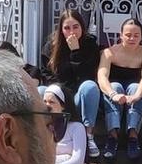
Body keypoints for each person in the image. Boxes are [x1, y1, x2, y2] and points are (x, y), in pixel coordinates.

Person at [93, 18, 142, 161]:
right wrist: (113, 94)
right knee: (115, 85)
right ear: (121, 35)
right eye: (128, 35)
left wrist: (137, 96)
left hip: (135, 94)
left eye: (136, 35)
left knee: (135, 87)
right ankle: (112, 137)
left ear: (141, 36)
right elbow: (102, 76)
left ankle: (133, 137)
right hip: (113, 93)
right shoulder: (109, 52)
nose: (132, 38)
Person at [45, 9, 105, 143]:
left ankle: (89, 135)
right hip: (59, 95)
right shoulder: (51, 46)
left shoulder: (90, 45)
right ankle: (47, 134)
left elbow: (86, 76)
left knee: (89, 86)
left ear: (82, 27)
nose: (72, 32)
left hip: (79, 95)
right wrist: (60, 92)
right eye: (67, 28)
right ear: (61, 30)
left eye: (75, 27)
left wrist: (75, 52)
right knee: (42, 91)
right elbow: (48, 74)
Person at [41, 85, 88, 164]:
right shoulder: (43, 127)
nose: (47, 106)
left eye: (51, 102)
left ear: (63, 105)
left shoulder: (76, 127)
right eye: (45, 102)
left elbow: (78, 160)